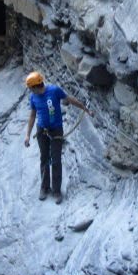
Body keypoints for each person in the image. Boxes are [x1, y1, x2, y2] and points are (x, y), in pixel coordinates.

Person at [23, 71, 90, 202]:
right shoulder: (33, 97)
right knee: (44, 158)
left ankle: (56, 191)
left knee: (56, 160)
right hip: (42, 130)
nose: (30, 91)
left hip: (56, 131)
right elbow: (32, 116)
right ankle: (44, 187)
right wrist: (27, 135)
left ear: (36, 86)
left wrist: (84, 108)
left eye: (31, 88)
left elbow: (69, 99)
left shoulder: (54, 91)